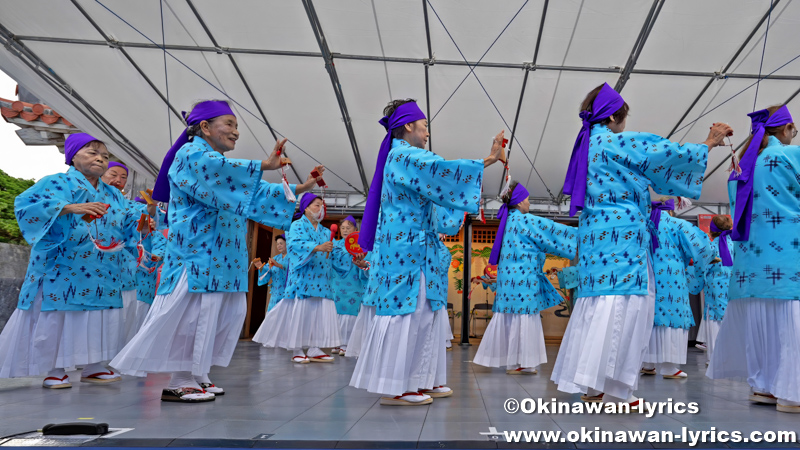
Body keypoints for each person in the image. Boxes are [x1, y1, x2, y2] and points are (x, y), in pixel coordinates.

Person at [110, 100, 322, 402]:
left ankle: (197, 373)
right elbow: (218, 172)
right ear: (205, 127)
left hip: (222, 257)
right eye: (230, 124)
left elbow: (255, 193)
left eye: (236, 126)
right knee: (191, 314)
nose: (236, 132)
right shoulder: (190, 154)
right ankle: (179, 377)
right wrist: (262, 165)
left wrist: (301, 189)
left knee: (218, 314)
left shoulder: (222, 166)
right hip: (197, 255)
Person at [550, 83, 732, 408]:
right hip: (623, 245)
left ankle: (594, 388)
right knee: (627, 310)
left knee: (599, 309)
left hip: (597, 244)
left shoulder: (587, 144)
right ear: (616, 116)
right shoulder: (614, 142)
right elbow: (661, 155)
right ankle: (617, 391)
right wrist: (708, 143)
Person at [350, 98, 505, 406]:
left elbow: (438, 202)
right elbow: (441, 170)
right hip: (405, 250)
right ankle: (395, 385)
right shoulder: (402, 155)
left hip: (419, 249)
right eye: (424, 126)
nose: (427, 132)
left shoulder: (408, 159)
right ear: (408, 125)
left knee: (424, 314)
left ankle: (419, 379)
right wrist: (487, 160)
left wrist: (457, 207)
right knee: (406, 314)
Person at [0, 133, 145, 388]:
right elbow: (26, 205)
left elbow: (127, 220)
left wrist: (144, 221)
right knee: (61, 313)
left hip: (102, 266)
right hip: (64, 265)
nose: (100, 158)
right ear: (73, 156)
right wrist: (69, 207)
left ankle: (94, 365)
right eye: (92, 153)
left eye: (105, 156)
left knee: (97, 314)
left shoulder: (113, 194)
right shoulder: (56, 183)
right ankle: (55, 368)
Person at [708, 105, 800, 413]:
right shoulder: (788, 156)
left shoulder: (741, 167)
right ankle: (792, 393)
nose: (794, 135)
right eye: (794, 130)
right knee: (791, 326)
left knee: (762, 324)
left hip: (751, 262)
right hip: (788, 253)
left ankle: (764, 386)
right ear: (784, 129)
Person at [473, 182, 577, 375]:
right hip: (523, 281)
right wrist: (583, 234)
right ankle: (522, 362)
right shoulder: (525, 220)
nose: (529, 203)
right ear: (519, 202)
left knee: (509, 318)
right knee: (524, 319)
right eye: (527, 199)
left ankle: (512, 361)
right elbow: (552, 230)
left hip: (508, 283)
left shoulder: (507, 223)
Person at [253, 193, 342, 363]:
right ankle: (296, 349)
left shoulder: (325, 231)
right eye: (317, 205)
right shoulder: (296, 226)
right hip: (304, 279)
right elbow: (294, 246)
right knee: (302, 313)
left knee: (318, 315)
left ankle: (315, 348)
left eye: (322, 205)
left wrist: (352, 257)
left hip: (322, 281)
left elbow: (333, 254)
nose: (320, 208)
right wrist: (316, 247)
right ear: (306, 207)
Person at [640, 199, 711, 379]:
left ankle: (646, 363)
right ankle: (669, 367)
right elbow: (704, 248)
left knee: (647, 317)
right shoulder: (677, 224)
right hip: (672, 278)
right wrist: (695, 273)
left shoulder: (641, 222)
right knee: (672, 318)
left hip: (645, 276)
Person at [101, 162, 163, 343]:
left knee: (126, 316)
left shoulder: (126, 206)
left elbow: (143, 223)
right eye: (113, 174)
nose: (118, 180)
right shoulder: (86, 198)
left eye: (123, 177)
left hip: (125, 269)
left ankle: (114, 355)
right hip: (91, 266)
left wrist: (148, 216)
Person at [330, 217, 369, 355]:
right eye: (343, 228)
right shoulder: (335, 244)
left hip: (354, 282)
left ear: (355, 230)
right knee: (337, 311)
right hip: (337, 283)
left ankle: (347, 343)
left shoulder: (362, 245)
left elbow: (366, 262)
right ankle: (336, 342)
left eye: (349, 227)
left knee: (351, 311)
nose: (345, 230)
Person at [701, 215, 733, 365]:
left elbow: (702, 269)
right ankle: (730, 356)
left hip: (714, 289)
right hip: (732, 288)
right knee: (730, 320)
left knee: (714, 320)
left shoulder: (711, 247)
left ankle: (715, 358)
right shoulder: (735, 245)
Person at [254, 234, 289, 313]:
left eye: (281, 243)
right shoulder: (276, 258)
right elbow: (267, 271)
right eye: (277, 244)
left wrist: (278, 265)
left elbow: (292, 271)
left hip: (287, 294)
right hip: (275, 293)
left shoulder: (293, 258)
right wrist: (261, 267)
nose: (279, 246)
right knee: (271, 317)